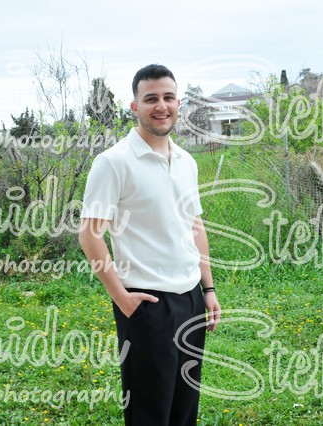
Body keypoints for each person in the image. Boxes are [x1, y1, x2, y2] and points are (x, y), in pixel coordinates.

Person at [79, 64, 220, 425]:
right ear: (134, 106)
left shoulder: (187, 162)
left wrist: (208, 289)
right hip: (147, 304)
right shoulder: (113, 162)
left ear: (179, 103)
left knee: (184, 407)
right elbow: (90, 235)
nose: (161, 106)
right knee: (149, 412)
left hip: (191, 299)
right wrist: (121, 298)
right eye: (151, 98)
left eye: (168, 97)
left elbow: (195, 226)